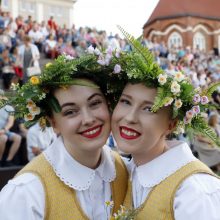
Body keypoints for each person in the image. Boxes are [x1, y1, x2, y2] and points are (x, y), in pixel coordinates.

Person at [0, 53, 128, 219]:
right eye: (70, 112)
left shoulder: (126, 170)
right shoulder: (26, 193)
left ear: (108, 105)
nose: (88, 119)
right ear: (54, 123)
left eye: (95, 103)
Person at [111, 30, 220, 219]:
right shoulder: (128, 171)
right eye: (126, 101)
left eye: (149, 109)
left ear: (171, 124)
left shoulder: (193, 192)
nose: (130, 117)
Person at [0, 89, 22, 167]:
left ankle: (8, 160)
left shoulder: (10, 108)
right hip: (2, 134)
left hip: (5, 130)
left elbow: (10, 122)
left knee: (18, 138)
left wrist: (4, 129)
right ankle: (0, 160)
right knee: (3, 138)